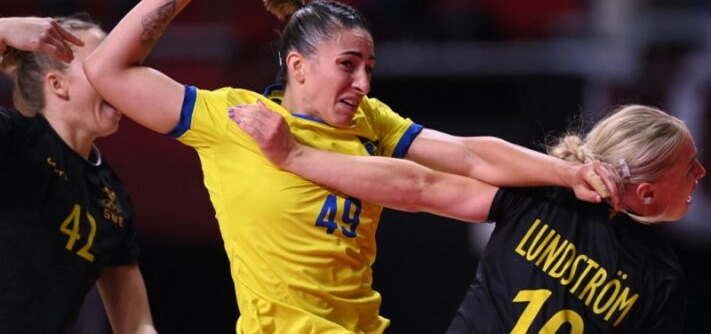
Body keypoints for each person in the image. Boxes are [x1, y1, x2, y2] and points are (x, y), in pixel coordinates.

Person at [83, 0, 613, 333]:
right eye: (347, 66)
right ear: (298, 66)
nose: (363, 83)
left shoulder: (370, 120)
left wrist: (566, 172)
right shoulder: (232, 118)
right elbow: (107, 69)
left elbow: (469, 153)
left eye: (368, 68)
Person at [230, 101, 704, 332]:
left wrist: (295, 157)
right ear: (645, 193)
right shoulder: (660, 279)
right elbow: (424, 183)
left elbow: (419, 188)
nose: (701, 173)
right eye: (690, 166)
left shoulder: (542, 195)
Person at [0, 15, 157, 334]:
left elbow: (136, 325)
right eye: (100, 65)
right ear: (58, 84)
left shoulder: (113, 196)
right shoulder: (13, 138)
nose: (116, 77)